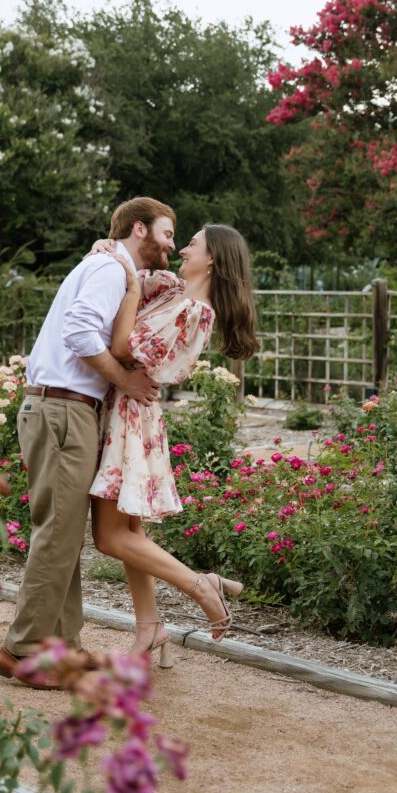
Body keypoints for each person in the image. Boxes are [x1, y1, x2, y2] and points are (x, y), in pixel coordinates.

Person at [0, 197, 176, 689]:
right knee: (58, 533)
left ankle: (62, 646)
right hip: (63, 408)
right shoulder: (109, 268)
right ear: (140, 229)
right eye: (167, 233)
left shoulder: (115, 268)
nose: (171, 245)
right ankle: (24, 651)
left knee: (66, 533)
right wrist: (126, 379)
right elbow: (78, 330)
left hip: (70, 409)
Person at [89, 224, 258, 667]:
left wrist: (128, 290)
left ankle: (201, 586)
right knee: (130, 534)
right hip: (123, 408)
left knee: (109, 538)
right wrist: (108, 249)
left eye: (194, 244)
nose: (182, 248)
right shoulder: (170, 289)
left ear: (213, 260)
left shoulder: (197, 312)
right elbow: (122, 271)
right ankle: (151, 626)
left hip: (130, 418)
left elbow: (123, 347)